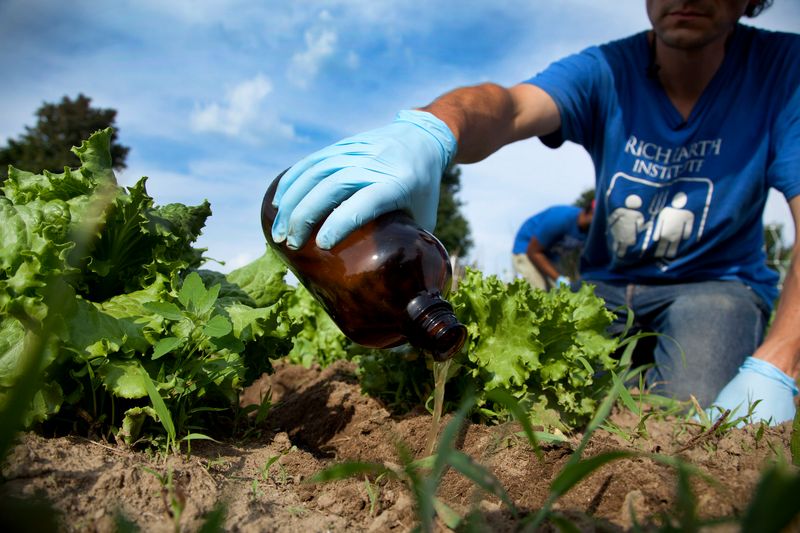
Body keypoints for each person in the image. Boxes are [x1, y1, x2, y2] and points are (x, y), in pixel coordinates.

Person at [269, 0, 799, 425]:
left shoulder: (784, 72)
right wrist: (432, 130)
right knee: (560, 402)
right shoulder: (608, 70)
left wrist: (782, 358)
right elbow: (510, 106)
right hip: (608, 286)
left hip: (717, 283)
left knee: (696, 413)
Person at [512, 200, 594, 290]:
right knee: (537, 290)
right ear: (589, 212)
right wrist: (558, 279)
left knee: (562, 293)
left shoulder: (590, 230)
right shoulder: (561, 218)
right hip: (527, 250)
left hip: (549, 257)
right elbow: (533, 251)